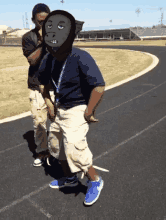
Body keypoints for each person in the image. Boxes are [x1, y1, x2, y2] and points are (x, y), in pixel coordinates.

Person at [37, 10, 105, 206]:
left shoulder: (81, 57)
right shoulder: (48, 59)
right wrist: (49, 105)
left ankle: (95, 181)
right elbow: (43, 84)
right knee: (56, 146)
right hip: (59, 107)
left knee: (75, 147)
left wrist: (89, 111)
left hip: (77, 107)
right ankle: (70, 178)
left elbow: (99, 87)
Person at [22, 3, 54, 167]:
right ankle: (42, 152)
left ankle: (56, 151)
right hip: (36, 86)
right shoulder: (28, 37)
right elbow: (32, 60)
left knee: (58, 121)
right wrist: (43, 43)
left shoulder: (58, 35)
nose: (43, 23)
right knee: (39, 123)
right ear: (34, 20)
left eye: (46, 20)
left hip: (55, 86)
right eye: (39, 20)